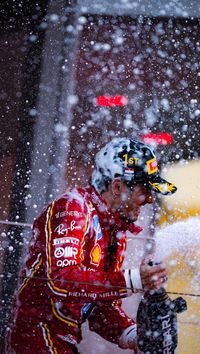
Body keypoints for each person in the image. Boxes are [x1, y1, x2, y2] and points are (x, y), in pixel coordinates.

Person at [5, 137, 177, 354]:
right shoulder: (73, 208)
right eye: (145, 190)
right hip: (34, 339)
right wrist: (134, 279)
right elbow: (62, 281)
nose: (150, 199)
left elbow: (98, 307)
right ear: (117, 186)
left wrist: (134, 336)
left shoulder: (114, 230)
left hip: (62, 343)